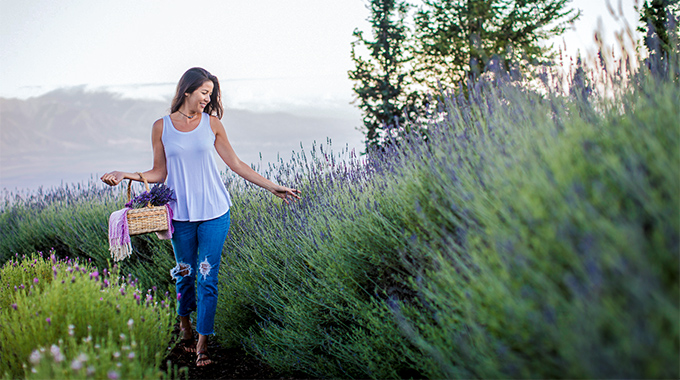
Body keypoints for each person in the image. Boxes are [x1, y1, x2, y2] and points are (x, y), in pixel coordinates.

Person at [101, 67, 300, 367]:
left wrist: (272, 186)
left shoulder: (212, 124)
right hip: (180, 216)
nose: (208, 98)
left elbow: (236, 164)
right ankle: (184, 325)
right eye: (204, 92)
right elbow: (159, 173)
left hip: (214, 213)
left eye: (211, 94)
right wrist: (123, 173)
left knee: (207, 278)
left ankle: (203, 343)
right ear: (187, 91)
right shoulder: (161, 127)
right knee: (184, 275)